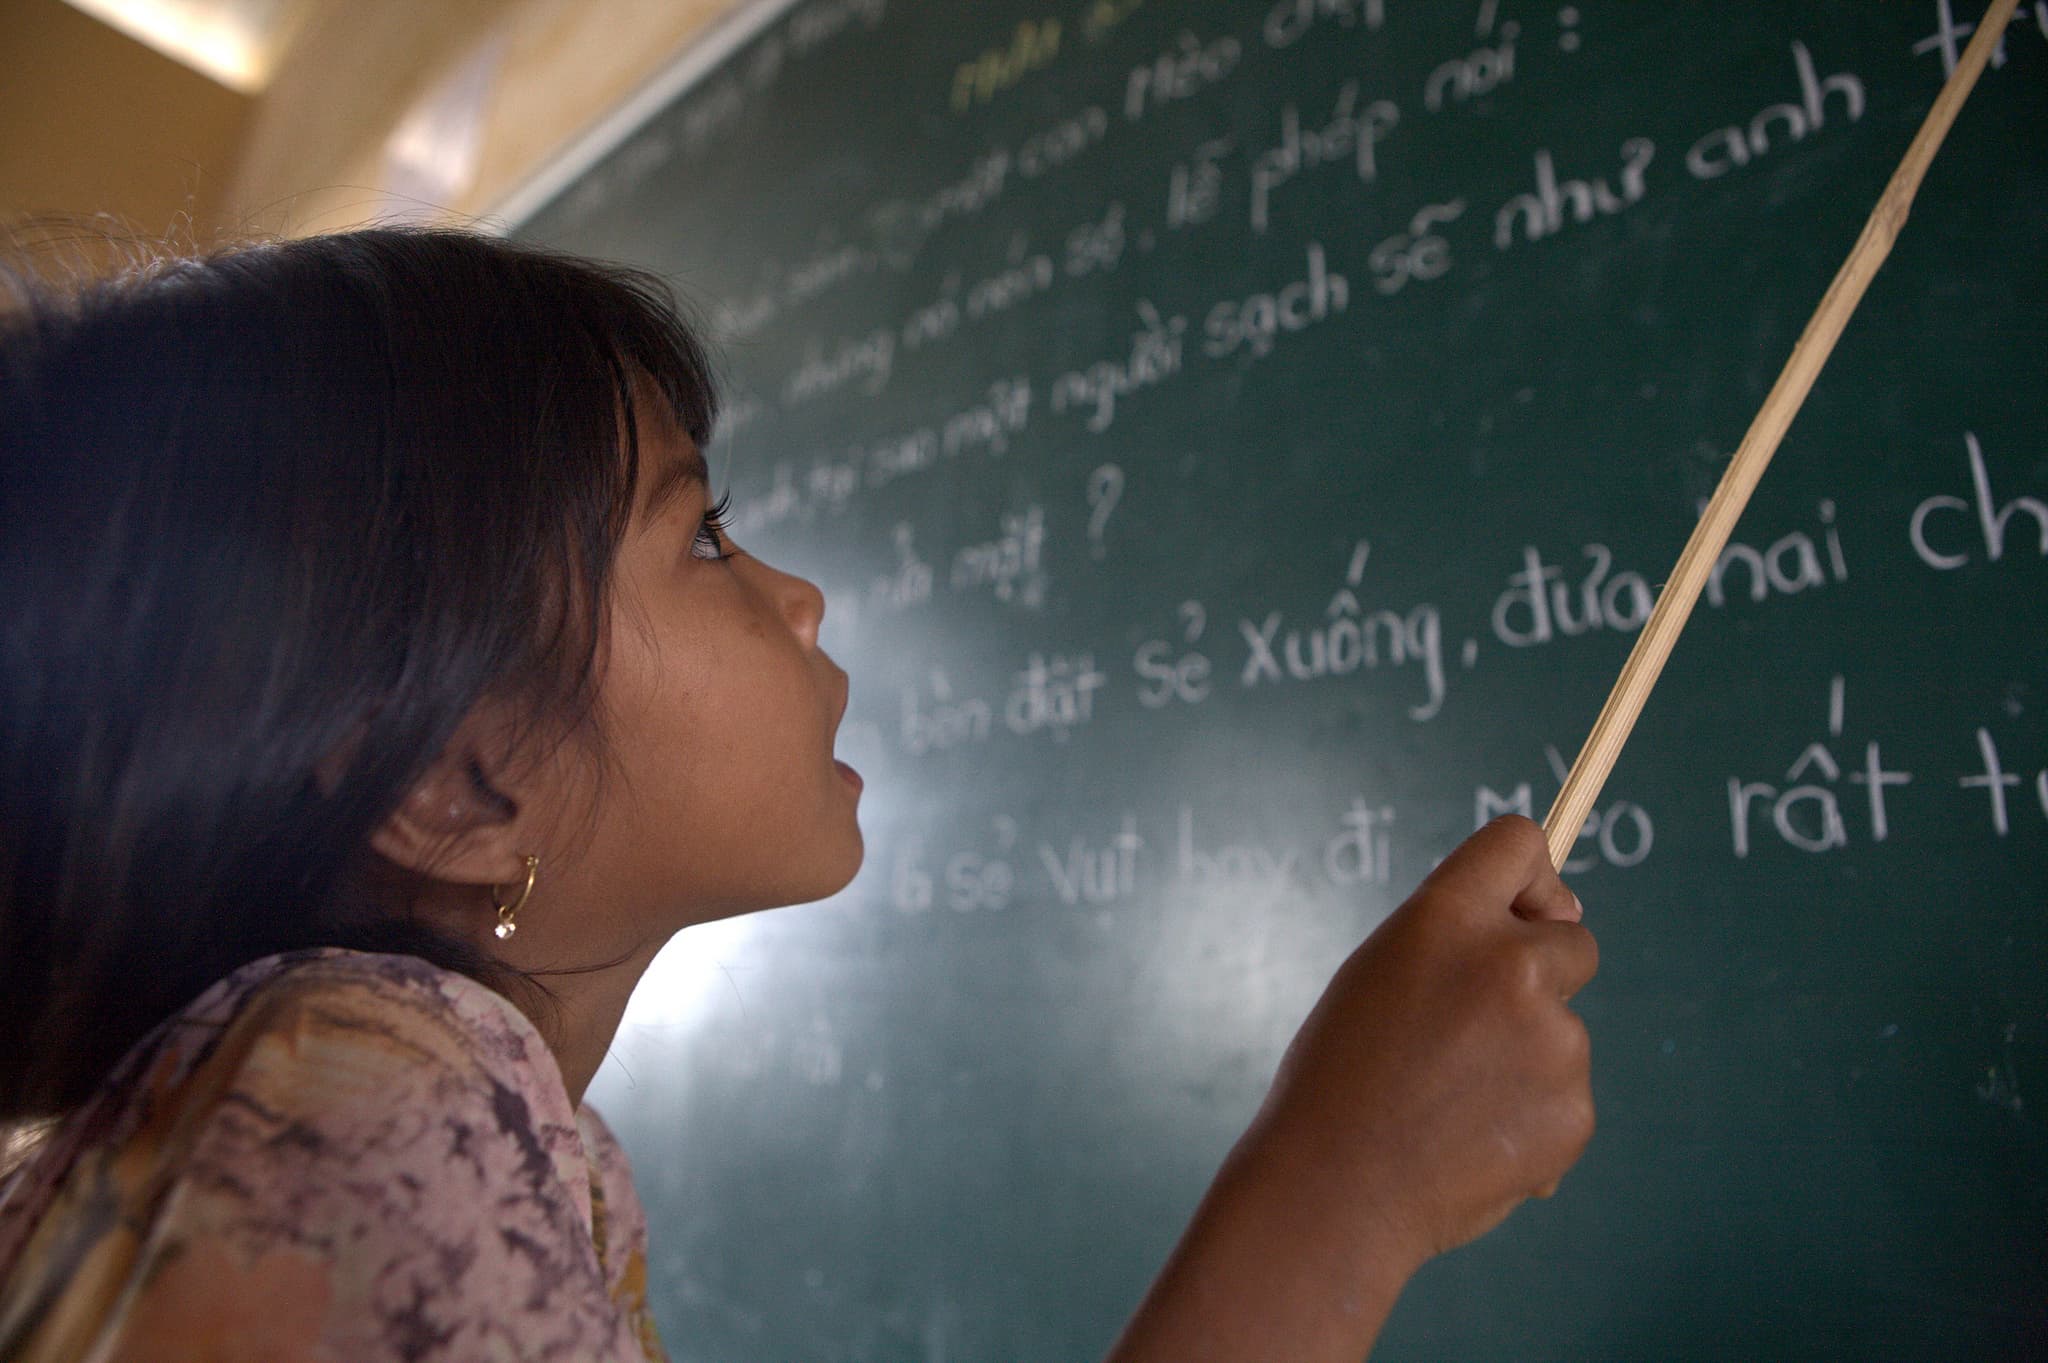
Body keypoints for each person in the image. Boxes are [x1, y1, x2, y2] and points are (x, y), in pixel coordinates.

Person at [0, 228, 1595, 1362]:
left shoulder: (408, 1109)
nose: (799, 598)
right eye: (700, 536)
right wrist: (1343, 1193)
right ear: (461, 782)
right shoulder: (354, 1093)